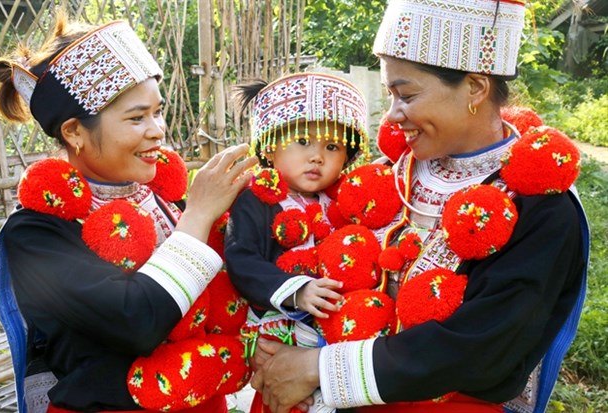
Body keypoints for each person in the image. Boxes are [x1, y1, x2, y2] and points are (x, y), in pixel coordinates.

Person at [249, 1, 590, 413]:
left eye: (406, 95)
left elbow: (484, 348)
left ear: (476, 88)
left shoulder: (541, 209)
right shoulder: (390, 175)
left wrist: (319, 370)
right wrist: (277, 348)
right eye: (391, 95)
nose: (392, 116)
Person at [0, 11, 257, 413]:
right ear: (74, 131)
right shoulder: (38, 234)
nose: (157, 130)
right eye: (136, 117)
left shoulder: (169, 203)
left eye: (158, 111)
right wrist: (198, 217)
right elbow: (136, 322)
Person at [225, 73, 370, 413]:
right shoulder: (254, 201)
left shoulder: (343, 206)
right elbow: (241, 258)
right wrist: (297, 290)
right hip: (280, 342)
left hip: (337, 346)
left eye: (332, 147)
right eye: (304, 140)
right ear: (271, 145)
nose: (317, 156)